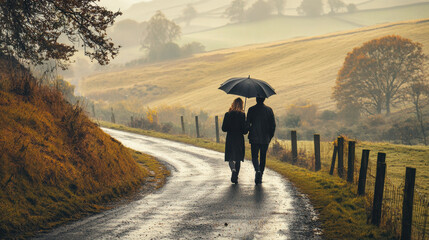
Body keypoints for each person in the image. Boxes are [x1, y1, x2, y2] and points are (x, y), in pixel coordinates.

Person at [246, 96, 276, 184]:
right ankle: (260, 175)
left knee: (254, 157)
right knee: (263, 157)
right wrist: (270, 136)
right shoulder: (269, 110)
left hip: (254, 138)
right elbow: (273, 125)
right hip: (265, 138)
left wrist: (247, 128)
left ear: (256, 99)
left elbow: (247, 124)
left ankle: (257, 170)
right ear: (264, 99)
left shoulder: (251, 109)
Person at [222, 97, 248, 184]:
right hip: (239, 139)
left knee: (230, 157)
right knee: (238, 158)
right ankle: (235, 176)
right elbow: (244, 131)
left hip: (230, 138)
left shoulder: (227, 114)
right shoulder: (242, 115)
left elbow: (223, 129)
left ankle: (233, 169)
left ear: (232, 104)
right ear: (241, 105)